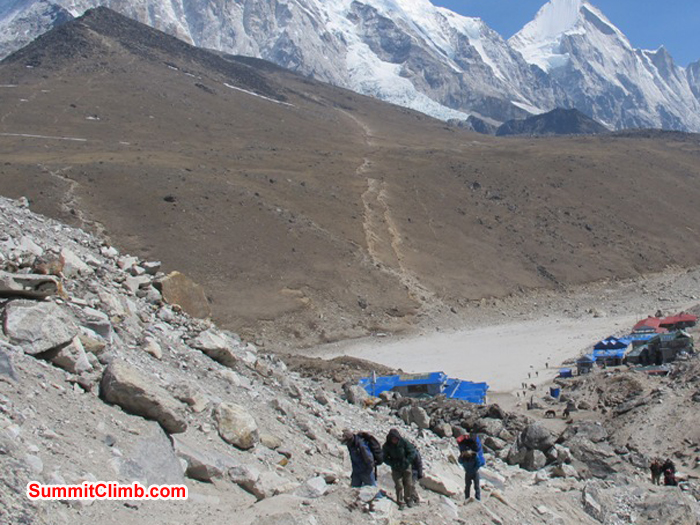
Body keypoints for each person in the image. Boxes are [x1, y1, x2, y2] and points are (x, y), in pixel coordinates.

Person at [382, 428, 418, 510]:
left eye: (396, 439)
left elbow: (412, 452)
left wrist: (407, 461)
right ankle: (400, 502)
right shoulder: (387, 446)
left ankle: (408, 499)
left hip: (406, 466)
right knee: (399, 485)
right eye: (393, 439)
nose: (395, 440)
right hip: (396, 468)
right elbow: (384, 457)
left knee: (409, 484)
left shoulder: (404, 442)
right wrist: (392, 463)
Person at [457, 433, 485, 501]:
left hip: (473, 473)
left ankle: (478, 499)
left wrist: (474, 470)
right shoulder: (464, 457)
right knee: (467, 487)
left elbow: (478, 463)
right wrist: (461, 455)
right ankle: (467, 498)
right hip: (470, 473)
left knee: (476, 487)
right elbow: (459, 461)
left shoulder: (474, 456)